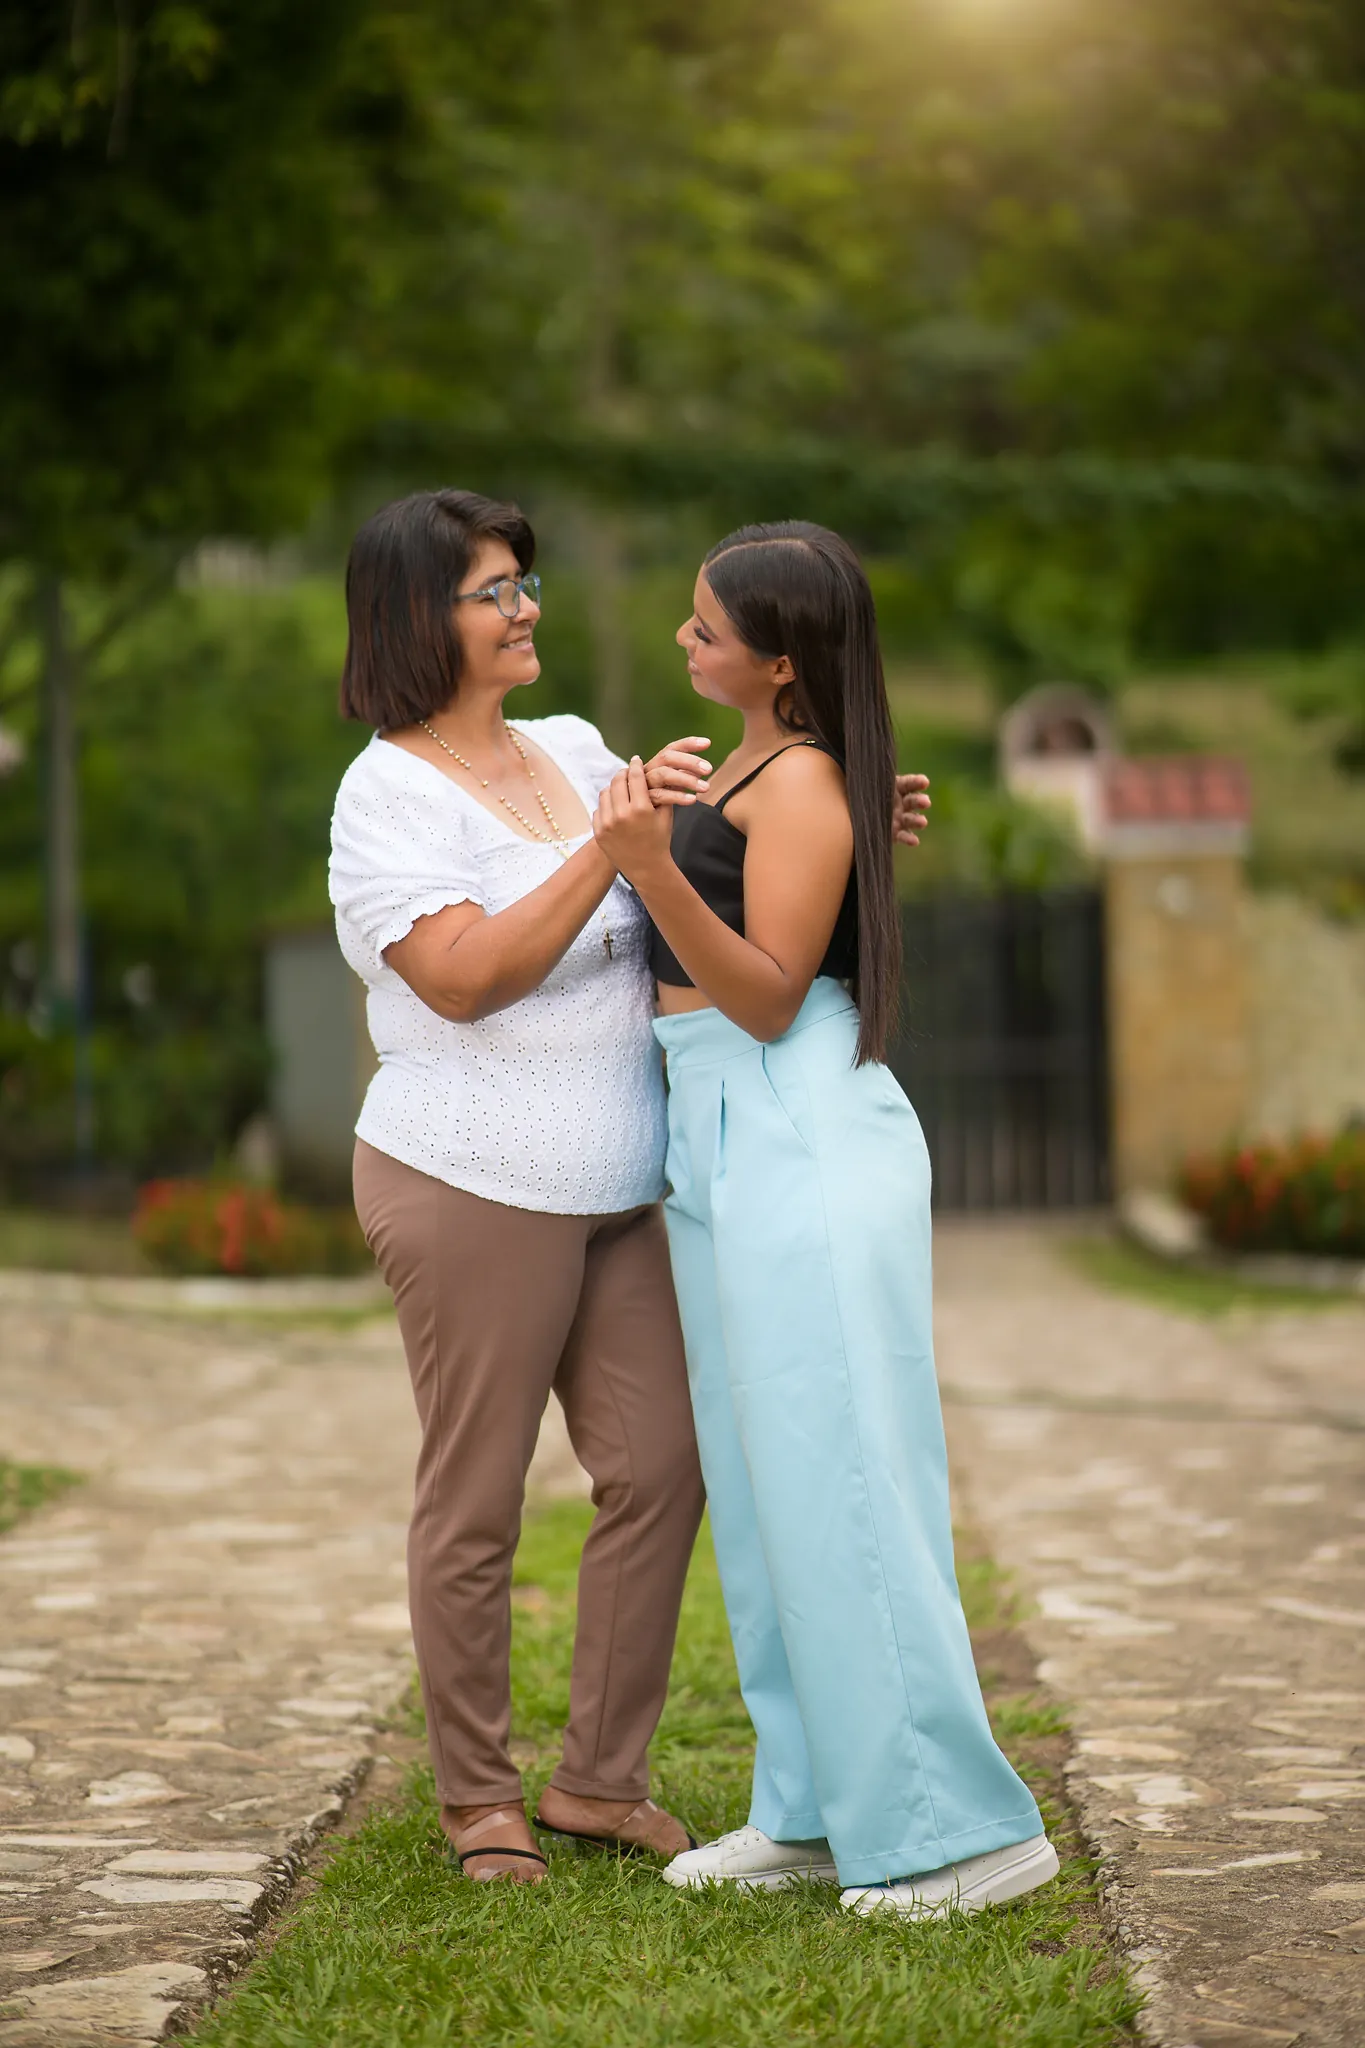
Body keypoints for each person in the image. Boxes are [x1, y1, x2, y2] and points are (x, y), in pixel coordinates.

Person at [328, 489, 931, 1885]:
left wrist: (842, 821)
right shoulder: (386, 793)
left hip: (619, 1176)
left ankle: (598, 1781)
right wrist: (608, 853)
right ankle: (480, 1800)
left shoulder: (573, 747)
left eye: (525, 584)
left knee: (662, 1467)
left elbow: (716, 872)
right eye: (495, 592)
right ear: (420, 617)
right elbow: (463, 978)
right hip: (470, 1178)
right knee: (478, 1499)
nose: (525, 607)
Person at [591, 521, 1058, 1919]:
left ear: (781, 660)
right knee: (766, 1487)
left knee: (846, 1473)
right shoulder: (774, 770)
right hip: (716, 1121)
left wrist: (648, 864)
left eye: (707, 627)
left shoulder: (795, 779)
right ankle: (808, 1809)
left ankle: (962, 1834)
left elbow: (770, 995)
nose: (685, 640)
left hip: (791, 1112)